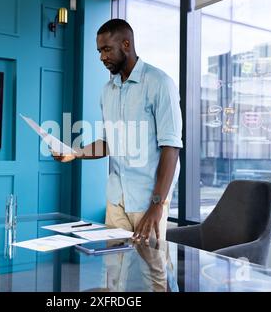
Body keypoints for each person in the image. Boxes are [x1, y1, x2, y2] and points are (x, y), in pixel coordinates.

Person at [53, 18, 183, 244]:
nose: (102, 57)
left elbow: (171, 147)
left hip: (147, 200)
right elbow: (108, 142)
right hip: (116, 200)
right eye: (99, 51)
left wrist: (157, 204)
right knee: (114, 272)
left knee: (151, 274)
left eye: (107, 49)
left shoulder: (160, 83)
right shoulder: (107, 91)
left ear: (126, 44)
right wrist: (75, 152)